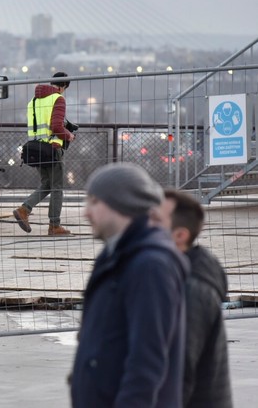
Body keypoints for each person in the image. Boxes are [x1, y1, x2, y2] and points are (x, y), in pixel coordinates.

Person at [71, 163, 189, 407]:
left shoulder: (150, 265)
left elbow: (147, 361)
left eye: (94, 202)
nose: (86, 212)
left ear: (121, 204)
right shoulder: (115, 256)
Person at [151, 189, 233, 408]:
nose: (145, 225)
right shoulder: (172, 277)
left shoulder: (188, 290)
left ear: (180, 235)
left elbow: (176, 378)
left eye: (155, 220)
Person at [14, 71, 75, 235]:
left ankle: (24, 210)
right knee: (56, 187)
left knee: (47, 184)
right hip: (52, 149)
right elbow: (56, 127)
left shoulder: (33, 101)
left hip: (35, 149)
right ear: (63, 87)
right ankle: (54, 225)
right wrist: (68, 135)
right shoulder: (58, 99)